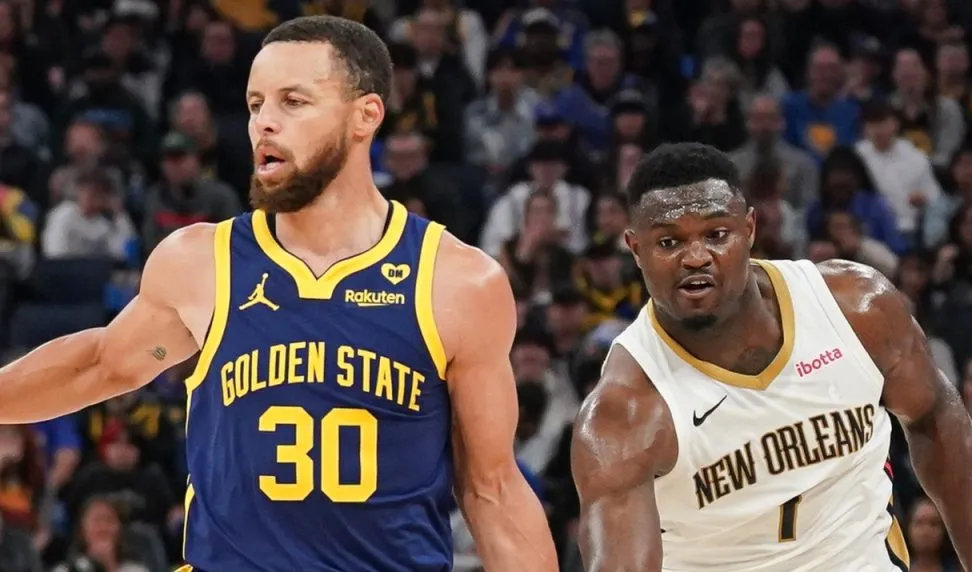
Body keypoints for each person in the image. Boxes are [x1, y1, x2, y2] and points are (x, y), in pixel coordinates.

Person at [0, 16, 556, 572]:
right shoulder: (201, 262)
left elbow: (493, 492)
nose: (264, 123)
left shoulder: (456, 282)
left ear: (366, 115)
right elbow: (101, 364)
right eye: (255, 104)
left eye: (293, 101)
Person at [571, 142, 972, 571]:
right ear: (635, 248)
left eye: (716, 234)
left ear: (750, 229)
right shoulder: (623, 413)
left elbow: (937, 417)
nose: (696, 257)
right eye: (669, 243)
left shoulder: (855, 310)